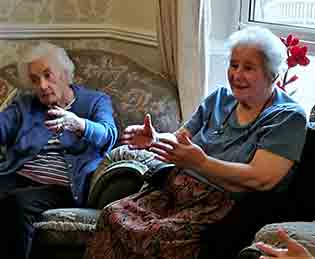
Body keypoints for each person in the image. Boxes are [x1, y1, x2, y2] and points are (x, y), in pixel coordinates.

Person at [84, 26, 307, 259]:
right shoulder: (219, 98)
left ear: (272, 74)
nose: (237, 75)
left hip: (217, 205)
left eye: (248, 68)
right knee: (112, 214)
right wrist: (156, 138)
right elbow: (181, 139)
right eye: (234, 65)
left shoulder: (287, 117)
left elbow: (261, 178)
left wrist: (201, 163)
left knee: (153, 236)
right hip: (173, 189)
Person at [0, 42, 118, 259]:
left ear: (65, 74)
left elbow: (108, 135)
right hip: (16, 178)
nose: (42, 85)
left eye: (47, 75)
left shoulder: (94, 101)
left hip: (61, 188)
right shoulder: (26, 105)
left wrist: (78, 124)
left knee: (16, 204)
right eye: (35, 79)